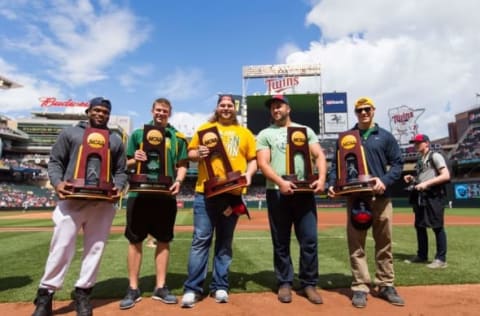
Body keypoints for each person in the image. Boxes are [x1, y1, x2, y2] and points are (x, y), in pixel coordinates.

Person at [32, 97, 128, 316]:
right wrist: (57, 183)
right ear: (88, 111)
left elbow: (122, 171)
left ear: (109, 115)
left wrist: (119, 187)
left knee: (95, 249)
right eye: (97, 110)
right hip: (72, 199)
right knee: (61, 247)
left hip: (102, 203)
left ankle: (83, 293)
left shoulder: (115, 140)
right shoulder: (71, 133)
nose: (101, 114)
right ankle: (45, 295)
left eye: (105, 111)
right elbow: (56, 161)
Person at [327, 97, 405, 308]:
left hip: (380, 197)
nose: (363, 113)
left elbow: (398, 164)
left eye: (367, 109)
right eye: (359, 110)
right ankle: (360, 286)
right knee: (356, 245)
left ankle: (386, 284)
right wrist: (333, 183)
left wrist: (385, 180)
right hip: (355, 199)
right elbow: (336, 166)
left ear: (373, 110)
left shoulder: (386, 137)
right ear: (355, 113)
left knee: (384, 244)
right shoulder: (345, 138)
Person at [181, 94, 257, 308]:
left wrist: (249, 175)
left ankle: (220, 285)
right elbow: (191, 153)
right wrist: (198, 153)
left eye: (229, 105)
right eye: (222, 105)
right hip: (205, 193)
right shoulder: (204, 129)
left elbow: (252, 159)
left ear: (235, 109)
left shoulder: (245, 133)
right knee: (200, 240)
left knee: (224, 242)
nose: (226, 108)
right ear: (217, 108)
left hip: (232, 194)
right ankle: (192, 289)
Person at [256, 94, 327, 305]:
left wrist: (322, 178)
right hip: (277, 192)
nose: (276, 110)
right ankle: (284, 282)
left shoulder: (305, 131)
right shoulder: (265, 134)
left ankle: (309, 283)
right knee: (281, 242)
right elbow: (263, 163)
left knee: (309, 240)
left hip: (304, 192)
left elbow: (320, 156)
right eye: (273, 107)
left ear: (288, 108)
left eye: (279, 106)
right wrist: (281, 182)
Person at [119, 98, 189, 309]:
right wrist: (135, 159)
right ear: (152, 111)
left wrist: (178, 181)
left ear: (170, 113)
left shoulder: (176, 137)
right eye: (158, 110)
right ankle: (133, 288)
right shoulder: (138, 134)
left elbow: (183, 164)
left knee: (164, 240)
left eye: (165, 111)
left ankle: (160, 286)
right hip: (139, 194)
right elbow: (124, 163)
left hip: (165, 194)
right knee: (135, 240)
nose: (161, 114)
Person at [403, 134, 450, 269]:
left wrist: (427, 183)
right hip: (422, 196)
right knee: (420, 226)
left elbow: (446, 175)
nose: (416, 145)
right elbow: (422, 178)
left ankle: (441, 259)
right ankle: (422, 255)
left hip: (434, 195)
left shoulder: (435, 156)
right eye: (415, 143)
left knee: (437, 226)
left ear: (427, 143)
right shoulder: (420, 159)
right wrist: (412, 179)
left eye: (419, 142)